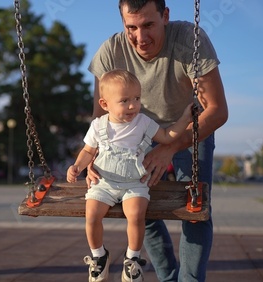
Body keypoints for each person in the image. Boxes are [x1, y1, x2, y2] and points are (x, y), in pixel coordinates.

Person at [87, 1, 228, 281]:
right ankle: (168, 277)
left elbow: (217, 110)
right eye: (131, 27)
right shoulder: (110, 53)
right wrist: (92, 156)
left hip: (189, 129)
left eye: (148, 25)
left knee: (194, 208)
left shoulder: (189, 40)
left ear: (165, 16)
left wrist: (171, 146)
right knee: (142, 209)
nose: (141, 37)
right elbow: (99, 117)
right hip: (138, 134)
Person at [66, 69, 193, 282]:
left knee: (135, 214)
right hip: (104, 182)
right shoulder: (98, 125)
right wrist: (77, 166)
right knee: (92, 215)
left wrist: (184, 119)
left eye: (136, 98)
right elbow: (88, 151)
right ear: (105, 104)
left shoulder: (142, 122)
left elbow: (166, 136)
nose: (133, 105)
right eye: (124, 100)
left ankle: (132, 259)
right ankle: (99, 256)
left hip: (135, 183)